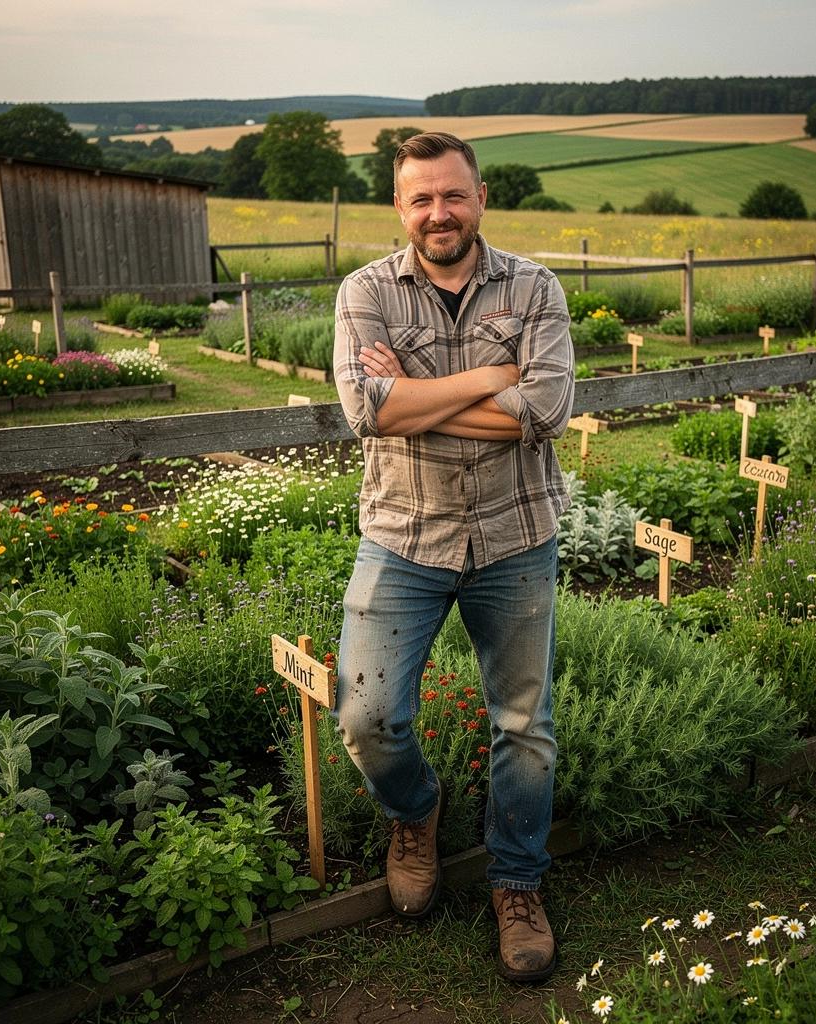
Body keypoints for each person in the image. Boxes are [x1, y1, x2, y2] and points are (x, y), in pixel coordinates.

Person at [332, 131, 574, 982]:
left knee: (525, 728)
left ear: (480, 196)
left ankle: (517, 883)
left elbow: (544, 410)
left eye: (453, 194)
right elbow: (366, 412)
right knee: (367, 717)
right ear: (400, 208)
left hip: (517, 535)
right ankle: (417, 813)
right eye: (421, 198)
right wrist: (486, 379)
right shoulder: (364, 292)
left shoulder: (536, 286)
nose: (439, 211)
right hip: (404, 533)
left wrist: (413, 396)